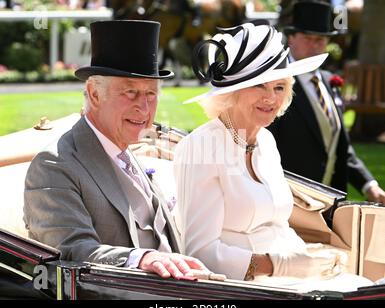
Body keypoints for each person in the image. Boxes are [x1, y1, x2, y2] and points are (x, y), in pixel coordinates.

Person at [173, 22, 373, 290]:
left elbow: (278, 226)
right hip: (238, 288)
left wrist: (311, 259)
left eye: (279, 87)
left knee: (366, 286)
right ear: (232, 92)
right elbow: (199, 253)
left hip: (289, 278)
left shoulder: (266, 141)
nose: (271, 98)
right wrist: (281, 264)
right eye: (259, 86)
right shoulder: (203, 146)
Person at [23, 20, 208, 280]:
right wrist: (142, 258)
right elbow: (70, 251)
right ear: (94, 94)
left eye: (151, 95)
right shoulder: (55, 165)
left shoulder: (126, 151)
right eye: (130, 92)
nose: (144, 109)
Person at [267, 1, 385, 204]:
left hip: (330, 200)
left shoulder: (330, 82)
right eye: (307, 38)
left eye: (320, 39)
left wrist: (370, 186)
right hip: (288, 200)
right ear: (291, 38)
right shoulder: (274, 85)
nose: (314, 46)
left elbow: (339, 147)